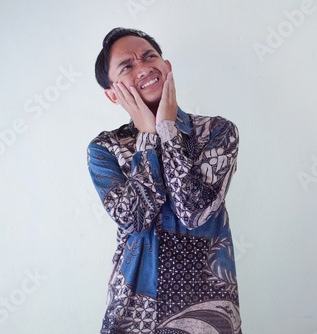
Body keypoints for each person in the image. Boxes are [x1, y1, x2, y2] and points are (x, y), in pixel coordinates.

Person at [88, 27, 242, 334]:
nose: (143, 67)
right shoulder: (105, 148)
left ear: (167, 67)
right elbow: (135, 219)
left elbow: (194, 213)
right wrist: (147, 137)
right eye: (127, 66)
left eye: (150, 57)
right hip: (133, 307)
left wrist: (167, 131)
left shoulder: (217, 132)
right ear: (112, 93)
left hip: (206, 305)